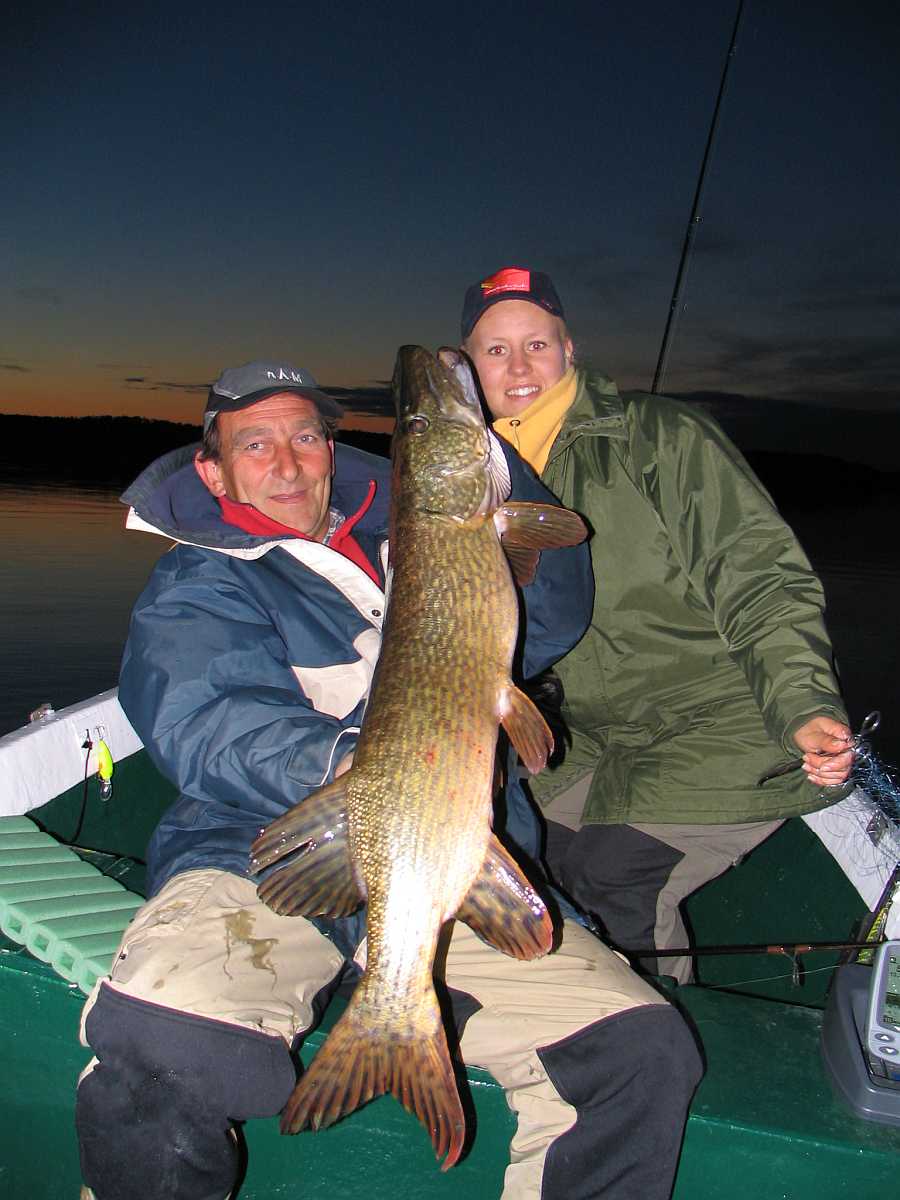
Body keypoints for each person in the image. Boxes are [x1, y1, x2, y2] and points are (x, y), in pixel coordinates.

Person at [75, 359, 702, 1200]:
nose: (288, 462)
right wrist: (360, 771)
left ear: (334, 450)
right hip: (267, 849)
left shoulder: (416, 533)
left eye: (306, 436)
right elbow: (202, 722)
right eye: (255, 444)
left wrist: (491, 487)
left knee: (638, 1055)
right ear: (213, 470)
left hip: (453, 850)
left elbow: (552, 621)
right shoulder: (199, 580)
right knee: (167, 1041)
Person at [460, 266, 855, 986]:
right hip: (590, 734)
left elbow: (758, 577)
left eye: (536, 344)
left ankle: (653, 1052)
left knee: (617, 880)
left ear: (568, 350)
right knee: (532, 861)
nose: (518, 367)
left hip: (723, 719)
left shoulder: (664, 437)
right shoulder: (475, 484)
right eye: (495, 350)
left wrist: (804, 705)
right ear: (469, 367)